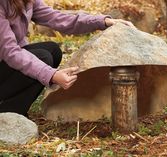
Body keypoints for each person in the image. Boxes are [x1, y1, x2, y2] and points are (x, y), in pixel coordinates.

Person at [0, 0, 134, 117]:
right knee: (43, 57)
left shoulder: (28, 1)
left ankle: (13, 109)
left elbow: (59, 19)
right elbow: (10, 51)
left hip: (7, 63)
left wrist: (102, 22)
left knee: (53, 50)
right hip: (7, 57)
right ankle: (7, 112)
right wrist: (51, 74)